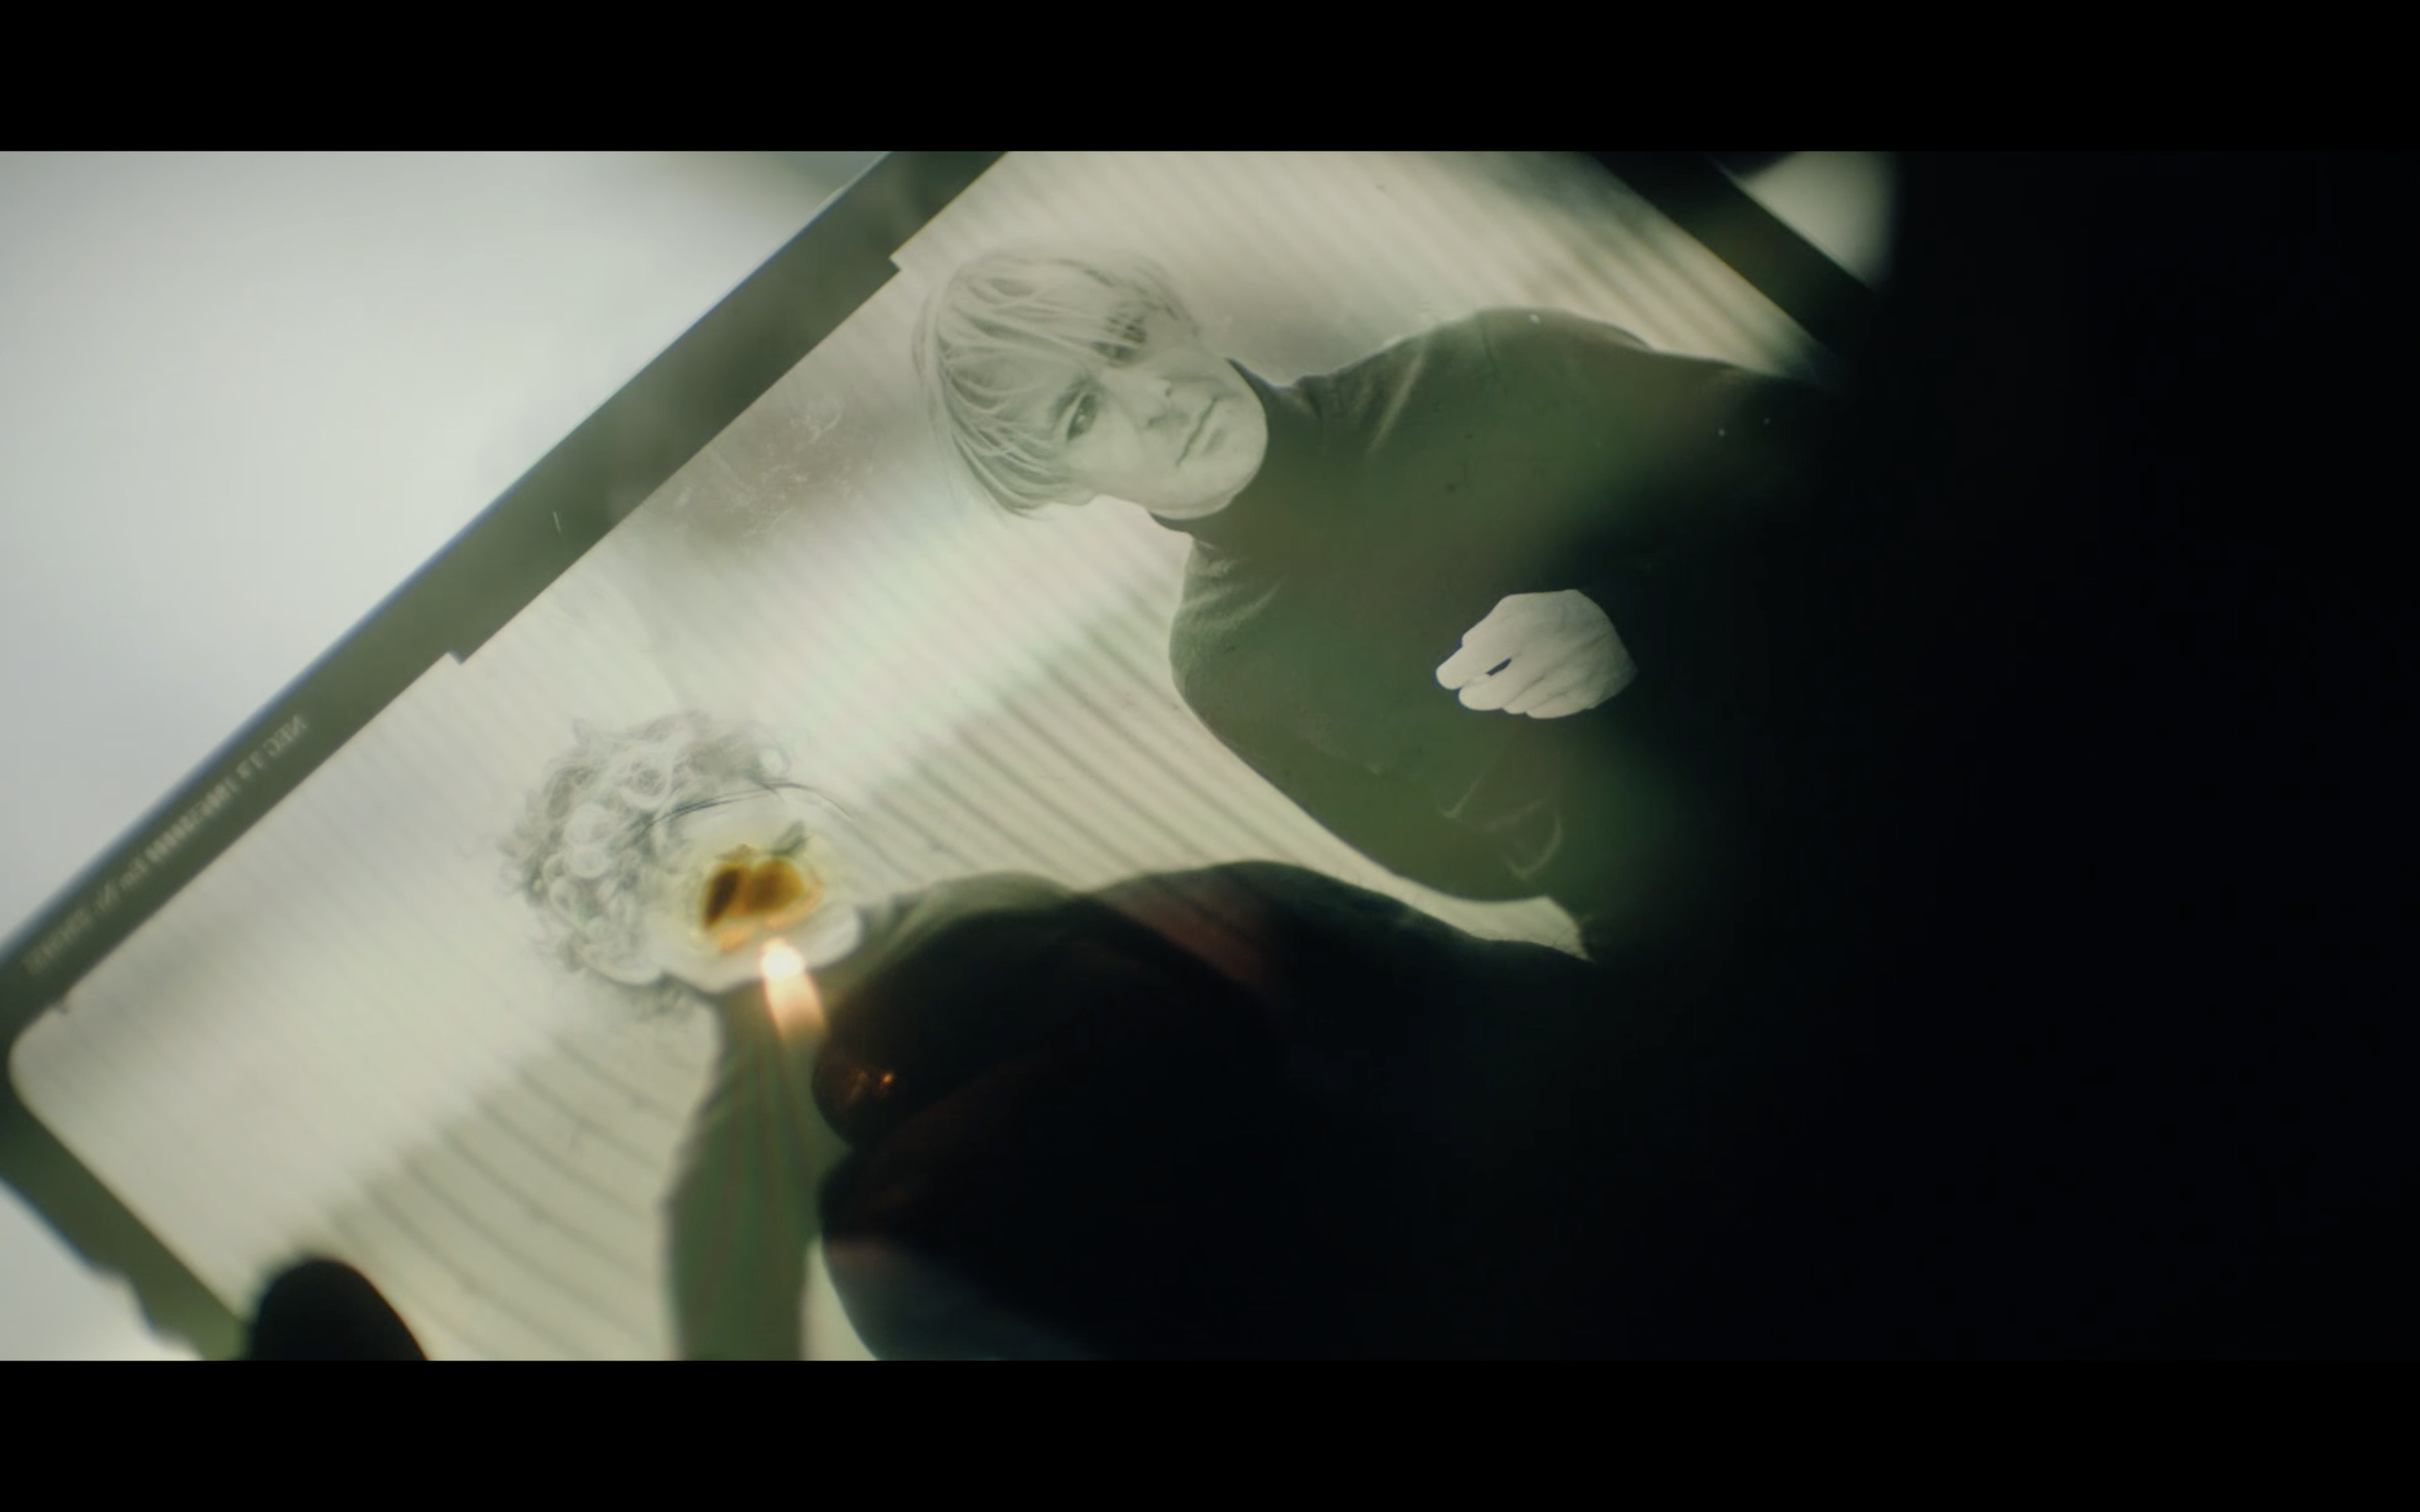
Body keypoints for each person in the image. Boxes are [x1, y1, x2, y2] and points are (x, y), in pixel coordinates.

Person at [491, 712, 1781, 1359]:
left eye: (782, 846)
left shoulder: (1171, 919)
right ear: (651, 964)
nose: (786, 899)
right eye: (727, 900)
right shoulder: (858, 1223)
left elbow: (1550, 1038)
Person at [916, 250, 1841, 978]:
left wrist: (1640, 617)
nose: (1152, 401)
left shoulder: (1492, 361)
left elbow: (1845, 456)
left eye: (1126, 339)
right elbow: (1456, 868)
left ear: (1175, 315)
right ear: (1055, 481)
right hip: (1696, 962)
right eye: (1081, 414)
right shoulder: (1221, 667)